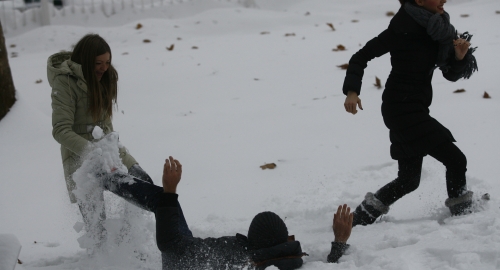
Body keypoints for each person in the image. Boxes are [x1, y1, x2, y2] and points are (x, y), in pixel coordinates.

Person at [342, 0, 478, 226]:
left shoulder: (438, 29)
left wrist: (460, 58)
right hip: (401, 108)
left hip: (415, 106)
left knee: (409, 180)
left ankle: (360, 218)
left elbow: (450, 75)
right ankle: (463, 217)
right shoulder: (401, 28)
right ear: (420, 0)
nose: (444, 0)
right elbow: (360, 57)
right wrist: (352, 91)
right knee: (456, 160)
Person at [98, 156, 353, 269]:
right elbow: (325, 267)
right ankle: (130, 176)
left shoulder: (231, 256)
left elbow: (170, 244)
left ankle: (103, 177)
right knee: (163, 199)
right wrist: (339, 243)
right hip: (185, 251)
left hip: (178, 258)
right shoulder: (289, 261)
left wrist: (170, 192)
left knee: (162, 200)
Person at [48, 34, 152, 244]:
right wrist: (94, 153)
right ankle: (99, 260)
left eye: (107, 62)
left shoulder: (105, 79)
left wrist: (126, 160)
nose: (104, 68)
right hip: (81, 161)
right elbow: (60, 130)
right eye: (98, 63)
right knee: (97, 228)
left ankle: (127, 245)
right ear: (85, 61)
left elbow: (107, 130)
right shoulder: (65, 82)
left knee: (144, 184)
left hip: (107, 153)